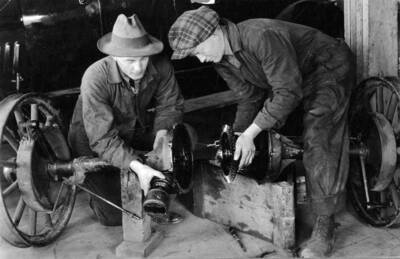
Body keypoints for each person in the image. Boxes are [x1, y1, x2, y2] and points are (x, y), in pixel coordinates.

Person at [168, 6, 354, 257]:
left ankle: (325, 224)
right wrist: (235, 138)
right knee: (271, 127)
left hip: (328, 66)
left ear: (214, 34)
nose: (200, 59)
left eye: (198, 51)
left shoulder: (260, 36)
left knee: (319, 135)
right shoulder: (222, 60)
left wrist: (250, 134)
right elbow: (249, 97)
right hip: (297, 78)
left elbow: (288, 92)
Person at [68, 13, 184, 226]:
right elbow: (102, 138)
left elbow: (170, 107)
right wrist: (138, 167)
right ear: (114, 56)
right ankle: (99, 197)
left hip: (132, 130)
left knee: (182, 143)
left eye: (143, 59)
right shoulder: (94, 77)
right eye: (130, 61)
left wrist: (161, 144)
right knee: (116, 216)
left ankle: (141, 179)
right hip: (93, 140)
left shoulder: (161, 65)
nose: (138, 68)